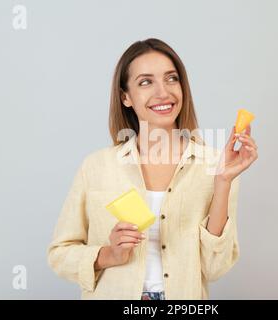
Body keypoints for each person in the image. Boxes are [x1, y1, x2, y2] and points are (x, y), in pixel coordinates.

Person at [47, 38, 258, 300]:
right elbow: (59, 254)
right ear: (125, 97)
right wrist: (108, 254)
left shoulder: (217, 166)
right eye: (146, 82)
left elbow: (214, 268)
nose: (163, 93)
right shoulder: (96, 167)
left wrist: (223, 182)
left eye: (171, 79)